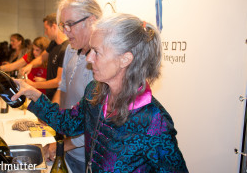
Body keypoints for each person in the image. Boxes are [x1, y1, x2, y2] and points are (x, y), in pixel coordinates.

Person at [12, 13, 188, 172]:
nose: (89, 58)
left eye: (97, 52)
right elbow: (68, 124)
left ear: (125, 59)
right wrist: (33, 94)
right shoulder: (95, 92)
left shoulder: (154, 121)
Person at [44, 0, 102, 172]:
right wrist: (53, 117)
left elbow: (98, 123)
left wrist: (63, 146)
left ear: (91, 21)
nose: (65, 32)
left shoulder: (102, 63)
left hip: (89, 156)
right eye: (63, 25)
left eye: (70, 25)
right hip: (66, 145)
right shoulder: (70, 49)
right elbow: (63, 87)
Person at [20, 13, 69, 100]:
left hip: (59, 100)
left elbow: (58, 81)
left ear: (54, 26)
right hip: (50, 96)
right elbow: (42, 58)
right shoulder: (54, 43)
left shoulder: (65, 49)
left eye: (46, 29)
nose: (45, 33)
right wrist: (30, 65)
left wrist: (33, 84)